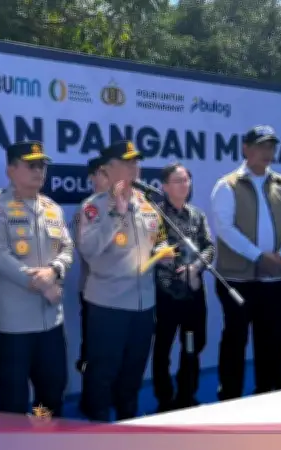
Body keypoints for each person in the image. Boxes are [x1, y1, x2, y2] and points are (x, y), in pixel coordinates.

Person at [77, 140, 173, 421]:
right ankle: (97, 426)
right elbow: (89, 250)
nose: (134, 167)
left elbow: (158, 239)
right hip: (109, 305)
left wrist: (162, 252)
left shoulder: (147, 204)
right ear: (108, 169)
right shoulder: (93, 207)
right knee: (103, 372)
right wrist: (117, 215)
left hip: (144, 305)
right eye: (127, 162)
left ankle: (127, 420)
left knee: (134, 371)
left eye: (136, 162)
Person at [210, 125, 281, 400]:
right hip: (238, 279)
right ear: (246, 149)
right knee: (235, 340)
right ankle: (230, 397)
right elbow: (224, 229)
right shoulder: (227, 185)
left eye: (271, 147)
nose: (267, 152)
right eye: (261, 146)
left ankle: (268, 395)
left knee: (272, 341)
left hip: (275, 279)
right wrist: (258, 257)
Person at [0, 141, 73, 417]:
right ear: (11, 170)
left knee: (51, 392)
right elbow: (0, 256)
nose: (38, 171)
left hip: (51, 320)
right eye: (31, 165)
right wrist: (40, 283)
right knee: (13, 398)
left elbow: (67, 248)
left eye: (42, 166)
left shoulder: (52, 207)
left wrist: (54, 271)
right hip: (16, 323)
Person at [151, 162, 214, 412]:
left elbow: (209, 247)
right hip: (165, 292)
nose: (184, 185)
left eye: (186, 180)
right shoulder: (154, 215)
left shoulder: (197, 215)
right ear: (165, 186)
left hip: (193, 291)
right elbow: (149, 250)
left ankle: (187, 394)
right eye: (177, 181)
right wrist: (173, 266)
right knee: (163, 347)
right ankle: (165, 399)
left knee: (193, 344)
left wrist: (196, 268)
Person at [72, 156, 109, 417]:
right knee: (93, 351)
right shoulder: (88, 209)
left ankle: (108, 398)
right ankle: (91, 401)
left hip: (120, 294)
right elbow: (87, 251)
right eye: (102, 173)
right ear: (93, 177)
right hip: (93, 291)